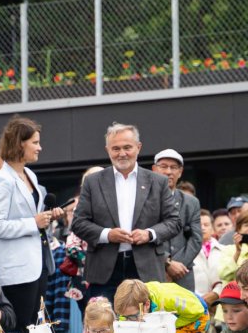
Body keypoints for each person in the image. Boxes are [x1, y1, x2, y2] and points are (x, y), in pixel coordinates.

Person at [72, 122, 180, 304]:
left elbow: (174, 221)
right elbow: (78, 223)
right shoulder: (93, 182)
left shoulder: (158, 181)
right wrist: (107, 234)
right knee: (105, 327)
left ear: (138, 147)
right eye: (115, 148)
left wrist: (149, 234)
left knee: (146, 325)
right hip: (104, 271)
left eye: (127, 147)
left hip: (146, 269)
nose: (122, 153)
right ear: (107, 150)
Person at [0, 117, 64, 333]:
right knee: (19, 328)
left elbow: (35, 217)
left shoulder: (29, 174)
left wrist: (48, 217)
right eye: (35, 142)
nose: (39, 147)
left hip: (38, 262)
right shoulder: (3, 180)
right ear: (20, 144)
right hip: (18, 270)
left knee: (35, 327)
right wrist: (33, 223)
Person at [150, 149, 201, 291]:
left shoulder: (191, 202)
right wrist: (166, 263)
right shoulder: (143, 200)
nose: (168, 171)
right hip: (153, 273)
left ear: (180, 172)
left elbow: (196, 239)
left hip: (183, 273)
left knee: (186, 313)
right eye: (163, 166)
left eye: (173, 167)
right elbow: (142, 236)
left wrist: (177, 265)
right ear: (154, 169)